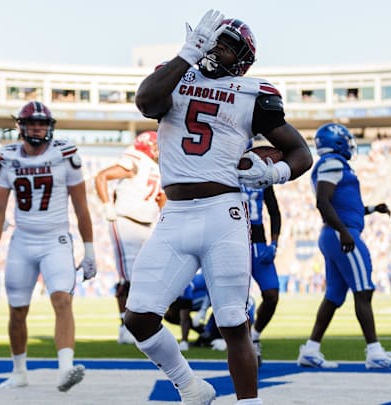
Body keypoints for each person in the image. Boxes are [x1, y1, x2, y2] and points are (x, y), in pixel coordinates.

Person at [125, 10, 313, 405]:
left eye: (227, 47)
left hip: (223, 211)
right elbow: (145, 101)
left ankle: (250, 402)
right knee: (138, 317)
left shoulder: (252, 93)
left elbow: (300, 152)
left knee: (232, 322)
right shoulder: (174, 75)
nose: (216, 49)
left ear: (242, 60)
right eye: (214, 41)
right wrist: (186, 54)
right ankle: (190, 386)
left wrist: (275, 174)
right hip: (174, 214)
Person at [0, 101, 96, 392]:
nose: (37, 128)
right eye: (32, 123)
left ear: (50, 126)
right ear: (20, 126)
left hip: (56, 239)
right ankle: (19, 371)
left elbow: (81, 207)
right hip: (21, 240)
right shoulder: (7, 157)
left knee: (62, 299)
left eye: (42, 123)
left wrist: (90, 249)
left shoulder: (65, 153)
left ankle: (66, 369)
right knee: (17, 310)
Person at [297, 123, 391, 370]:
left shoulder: (334, 164)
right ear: (337, 142)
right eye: (346, 140)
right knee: (364, 290)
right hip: (341, 234)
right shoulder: (332, 163)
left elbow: (344, 204)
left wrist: (371, 209)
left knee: (334, 296)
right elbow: (323, 202)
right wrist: (344, 231)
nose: (349, 144)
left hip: (337, 232)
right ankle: (374, 352)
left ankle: (311, 349)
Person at [94, 130, 165, 345]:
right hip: (126, 221)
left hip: (146, 223)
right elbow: (102, 176)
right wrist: (108, 207)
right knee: (130, 278)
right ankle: (126, 326)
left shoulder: (156, 167)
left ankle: (138, 324)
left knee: (146, 277)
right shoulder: (136, 158)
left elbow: (162, 198)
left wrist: (164, 218)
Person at [242, 180, 281, 367]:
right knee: (238, 298)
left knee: (272, 294)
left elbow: (274, 210)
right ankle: (243, 345)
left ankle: (254, 336)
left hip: (258, 241)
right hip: (232, 241)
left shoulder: (260, 172)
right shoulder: (225, 168)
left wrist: (274, 242)